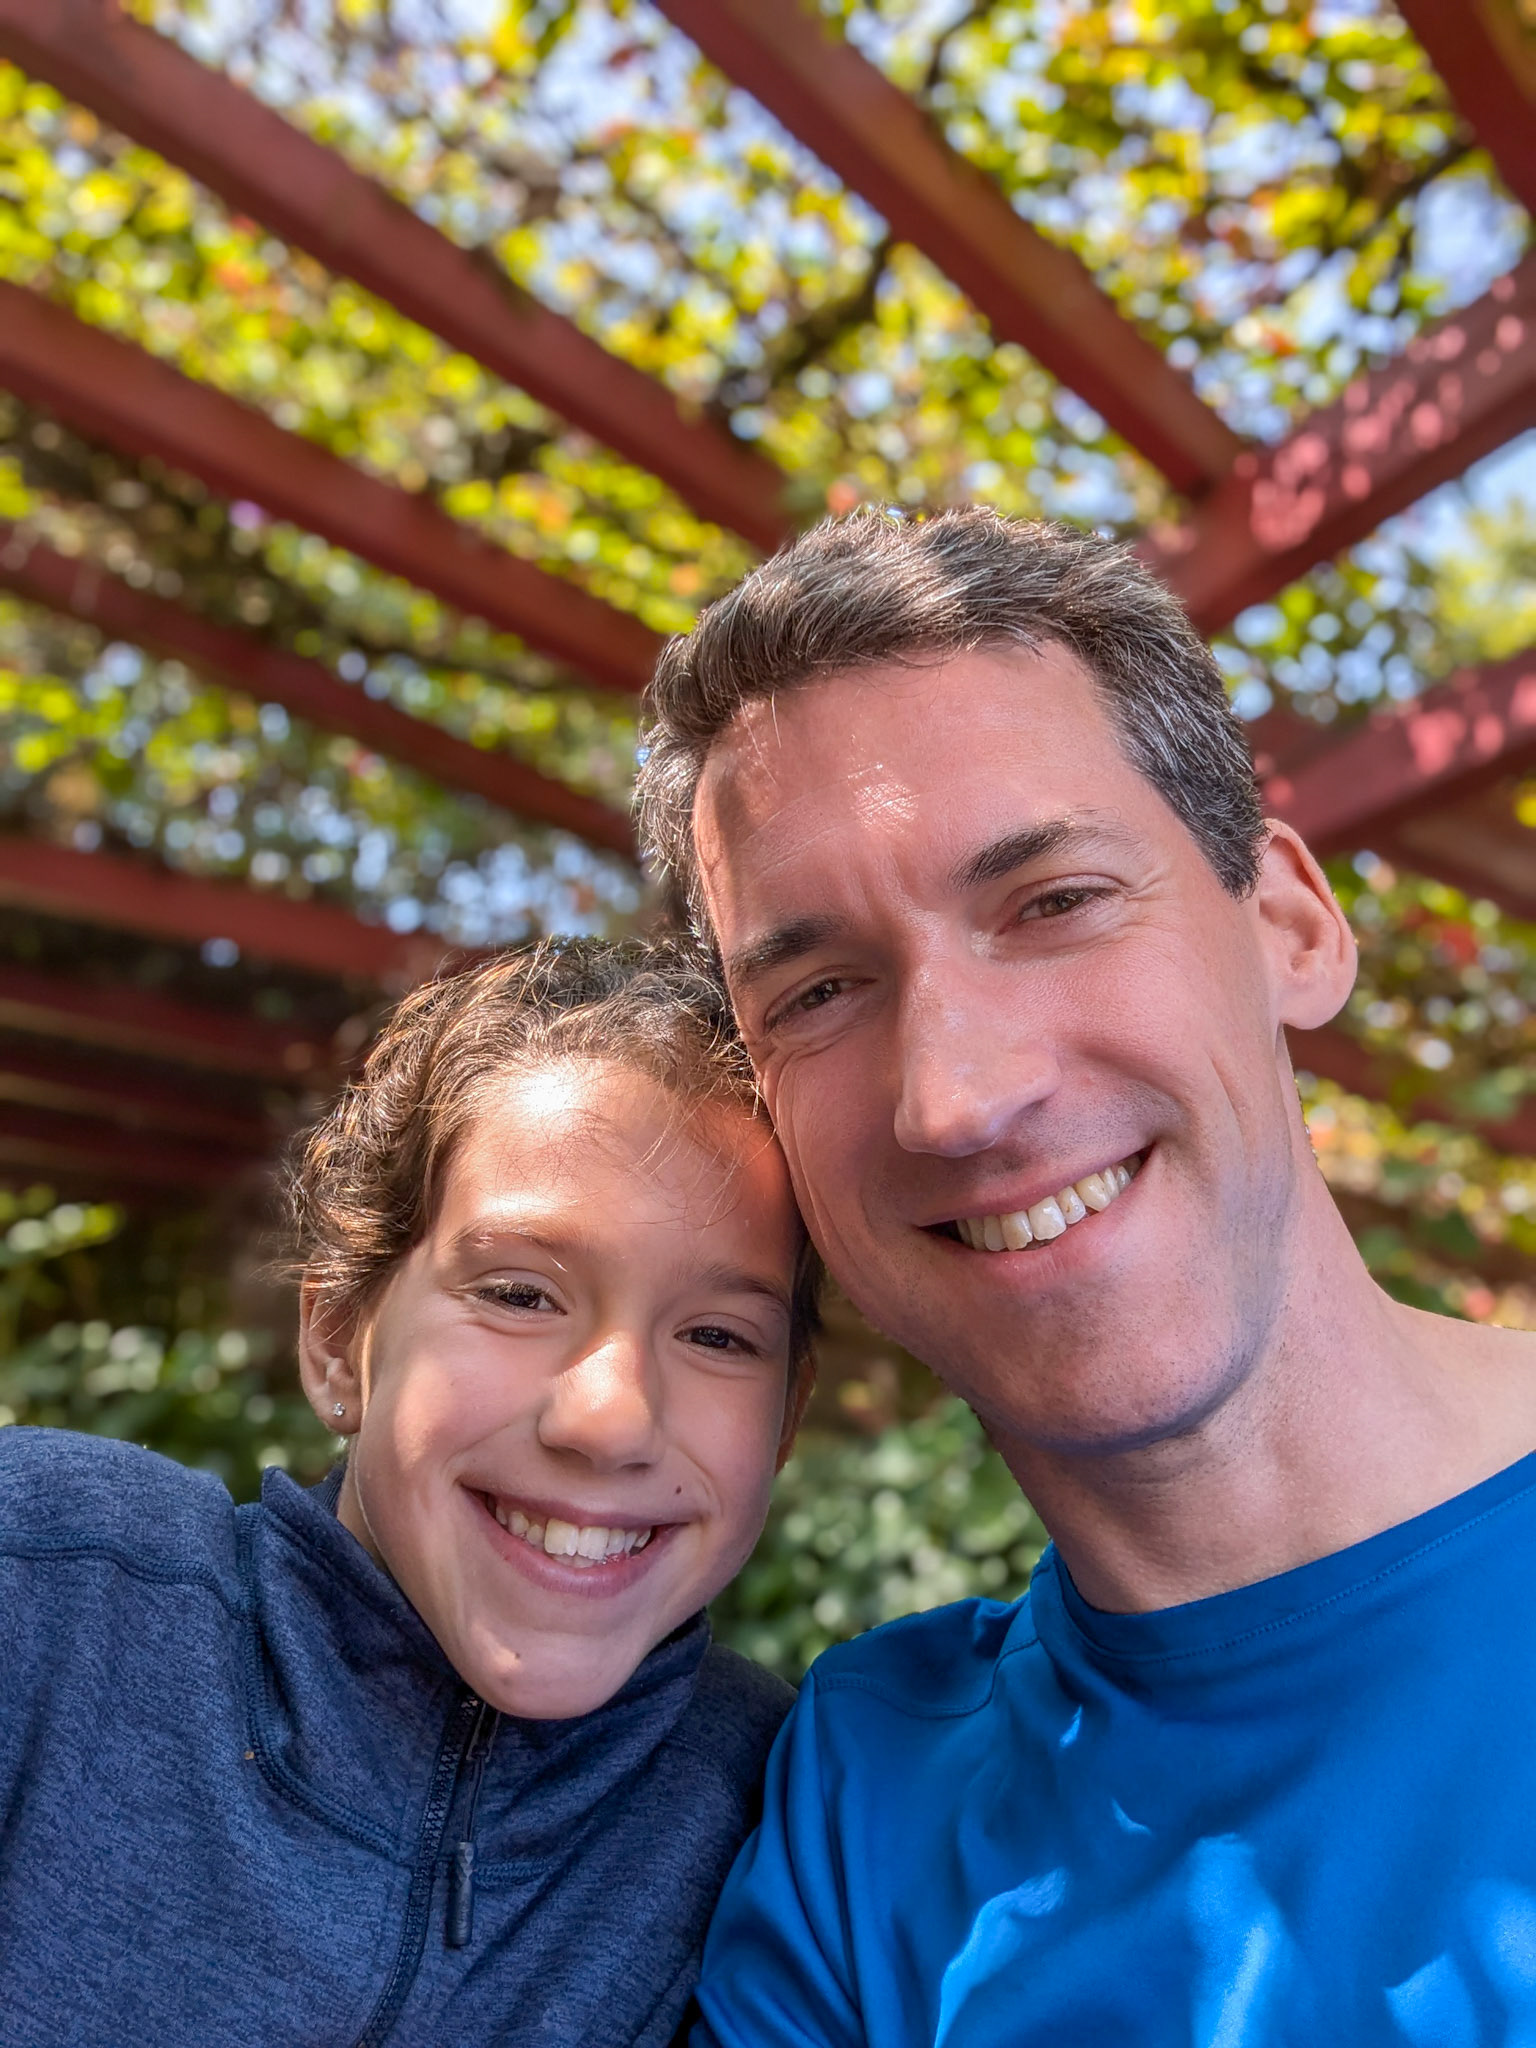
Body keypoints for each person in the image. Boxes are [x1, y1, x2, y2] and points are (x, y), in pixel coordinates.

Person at [636, 508, 1536, 2047]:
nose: (954, 1098)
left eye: (1051, 901)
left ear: (1291, 929)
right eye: (822, 991)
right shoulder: (866, 1810)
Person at [0, 936, 820, 2048]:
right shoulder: (53, 1590)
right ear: (339, 1335)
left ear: (785, 1420)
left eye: (721, 1333)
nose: (610, 1414)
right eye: (522, 1294)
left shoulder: (791, 1806)